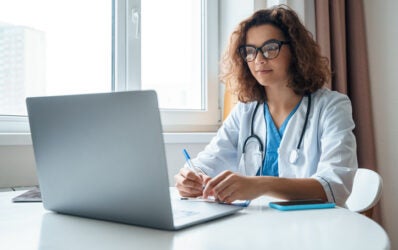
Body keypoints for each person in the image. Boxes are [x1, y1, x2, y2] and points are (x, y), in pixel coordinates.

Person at [174, 5, 357, 206]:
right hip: (257, 227)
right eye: (250, 51)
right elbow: (204, 164)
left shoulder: (332, 107)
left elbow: (335, 187)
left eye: (270, 48)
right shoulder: (245, 112)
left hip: (315, 227)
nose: (259, 59)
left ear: (296, 50)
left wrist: (261, 185)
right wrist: (189, 178)